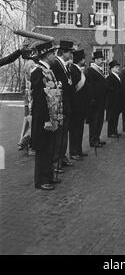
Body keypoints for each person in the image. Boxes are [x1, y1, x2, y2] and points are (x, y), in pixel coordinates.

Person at [30, 41, 63, 190]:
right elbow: (39, 99)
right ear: (46, 55)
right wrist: (46, 120)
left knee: (50, 148)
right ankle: (41, 180)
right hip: (44, 118)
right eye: (52, 54)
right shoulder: (38, 72)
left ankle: (48, 176)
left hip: (51, 116)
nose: (54, 56)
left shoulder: (49, 70)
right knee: (43, 149)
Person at [51, 40, 75, 171]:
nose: (71, 55)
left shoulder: (63, 65)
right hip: (61, 105)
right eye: (70, 52)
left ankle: (62, 157)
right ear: (63, 52)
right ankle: (56, 161)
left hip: (66, 104)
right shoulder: (56, 64)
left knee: (64, 133)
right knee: (59, 135)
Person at [69, 49, 88, 160]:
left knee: (79, 129)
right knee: (74, 130)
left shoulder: (77, 70)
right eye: (83, 59)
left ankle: (78, 150)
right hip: (76, 106)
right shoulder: (73, 70)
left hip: (80, 105)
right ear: (80, 60)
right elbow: (74, 89)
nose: (85, 60)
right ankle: (73, 152)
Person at [85, 51, 107, 148]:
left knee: (99, 120)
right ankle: (93, 140)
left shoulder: (99, 70)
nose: (102, 61)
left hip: (101, 100)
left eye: (102, 59)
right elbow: (90, 86)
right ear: (96, 60)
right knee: (94, 121)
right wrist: (92, 99)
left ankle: (97, 138)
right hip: (95, 101)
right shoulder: (91, 70)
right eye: (100, 59)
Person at [17, 49, 37, 153]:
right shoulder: (32, 64)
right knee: (31, 121)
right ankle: (25, 142)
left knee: (26, 121)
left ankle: (22, 141)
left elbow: (22, 83)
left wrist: (24, 94)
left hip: (27, 96)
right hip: (31, 96)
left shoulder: (26, 64)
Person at [106, 60, 122, 138]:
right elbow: (109, 88)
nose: (118, 68)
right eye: (116, 67)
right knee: (112, 117)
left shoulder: (117, 76)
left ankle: (114, 131)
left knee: (115, 117)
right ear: (112, 69)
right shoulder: (110, 77)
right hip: (112, 101)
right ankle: (110, 132)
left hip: (117, 101)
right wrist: (117, 90)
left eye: (118, 67)